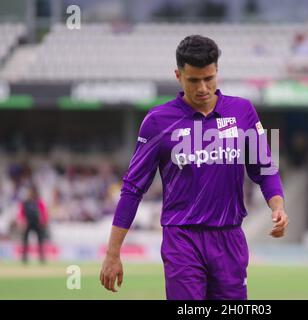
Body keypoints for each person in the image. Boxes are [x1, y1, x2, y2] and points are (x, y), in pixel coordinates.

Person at [100, 35, 288, 299]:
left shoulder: (242, 111)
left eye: (209, 78)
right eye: (193, 80)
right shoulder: (157, 122)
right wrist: (112, 253)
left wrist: (277, 206)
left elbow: (266, 168)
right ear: (178, 75)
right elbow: (132, 189)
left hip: (230, 239)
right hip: (182, 241)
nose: (202, 88)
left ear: (217, 72)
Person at [17, 185, 49, 264]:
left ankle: (42, 258)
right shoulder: (25, 203)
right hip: (28, 223)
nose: (30, 193)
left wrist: (44, 222)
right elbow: (21, 213)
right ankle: (24, 258)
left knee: (40, 241)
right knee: (25, 241)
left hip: (38, 223)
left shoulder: (39, 202)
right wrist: (22, 222)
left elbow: (44, 212)